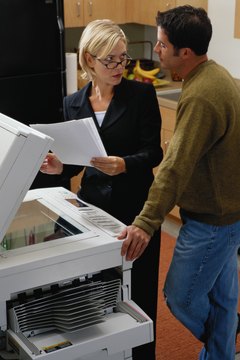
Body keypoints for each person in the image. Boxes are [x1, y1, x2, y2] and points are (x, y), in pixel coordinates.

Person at [118, 5, 240, 360]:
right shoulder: (216, 76)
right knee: (223, 298)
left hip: (213, 221)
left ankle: (225, 335)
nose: (156, 50)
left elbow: (174, 167)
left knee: (180, 296)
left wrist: (145, 222)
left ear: (184, 52)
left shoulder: (202, 95)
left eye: (161, 44)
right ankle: (223, 348)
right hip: (228, 214)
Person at [40, 19, 163, 360]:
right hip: (91, 210)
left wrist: (124, 163)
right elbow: (79, 161)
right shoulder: (73, 102)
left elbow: (154, 152)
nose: (118, 66)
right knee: (95, 293)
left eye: (123, 58)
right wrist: (60, 167)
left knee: (138, 294)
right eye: (110, 59)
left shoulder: (141, 95)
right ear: (89, 59)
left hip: (135, 210)